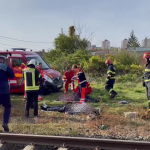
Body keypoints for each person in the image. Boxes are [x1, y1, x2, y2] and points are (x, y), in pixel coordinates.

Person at [0, 55, 15, 132]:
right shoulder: (5, 67)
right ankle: (5, 122)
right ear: (2, 60)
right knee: (7, 107)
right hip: (4, 90)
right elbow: (12, 75)